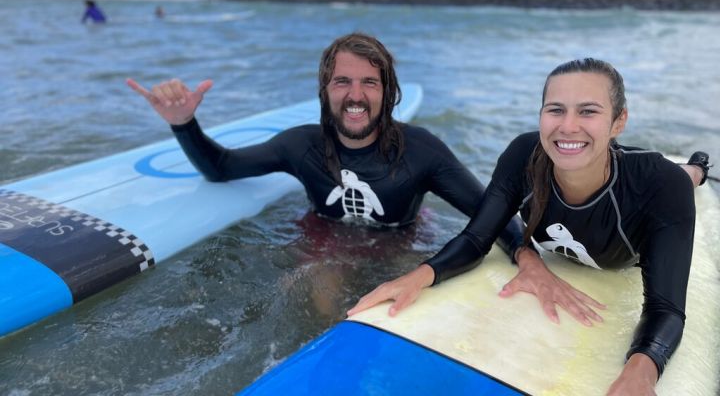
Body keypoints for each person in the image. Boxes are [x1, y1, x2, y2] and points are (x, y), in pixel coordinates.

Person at [127, 33, 603, 323]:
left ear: (387, 92)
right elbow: (222, 168)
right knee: (320, 301)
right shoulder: (300, 145)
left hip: (403, 240)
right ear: (325, 91)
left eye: (369, 83)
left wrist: (531, 262)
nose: (355, 95)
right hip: (323, 238)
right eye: (342, 82)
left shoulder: (421, 151)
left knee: (399, 308)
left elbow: (491, 215)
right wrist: (183, 123)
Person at [347, 58, 711, 395]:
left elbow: (666, 308)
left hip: (645, 203)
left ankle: (697, 168)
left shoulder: (660, 186)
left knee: (683, 177)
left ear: (618, 121)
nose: (567, 125)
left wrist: (640, 371)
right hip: (600, 154)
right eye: (556, 110)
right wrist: (417, 277)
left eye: (588, 111)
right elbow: (477, 237)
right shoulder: (524, 156)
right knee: (592, 150)